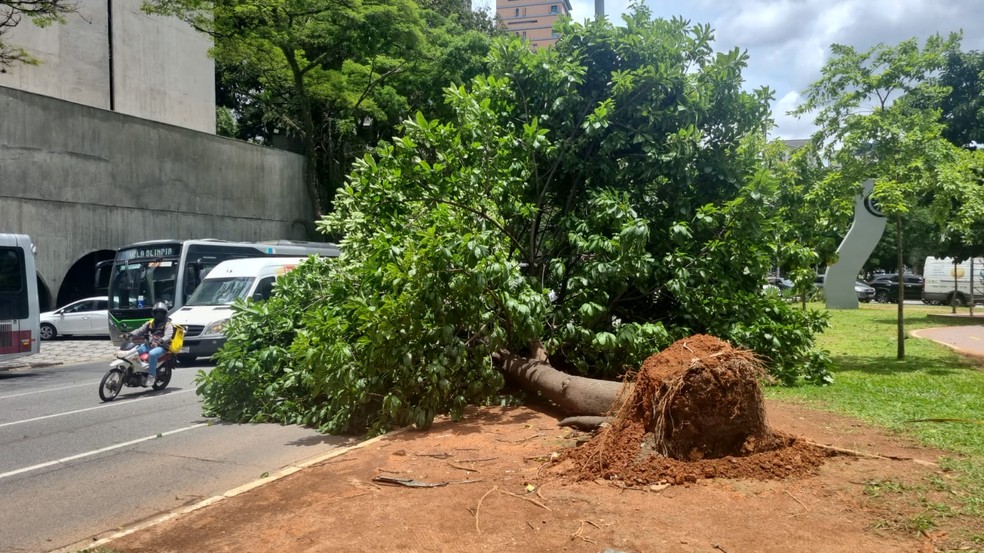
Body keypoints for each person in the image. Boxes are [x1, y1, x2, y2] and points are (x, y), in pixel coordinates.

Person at [128, 302, 174, 386]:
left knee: (152, 354)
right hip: (148, 345)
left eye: (161, 312)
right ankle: (135, 370)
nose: (159, 314)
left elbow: (168, 336)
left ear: (165, 314)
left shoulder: (168, 324)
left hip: (162, 347)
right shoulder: (150, 323)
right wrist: (130, 334)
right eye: (157, 312)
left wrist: (159, 341)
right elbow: (140, 330)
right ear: (154, 313)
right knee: (134, 351)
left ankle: (152, 376)